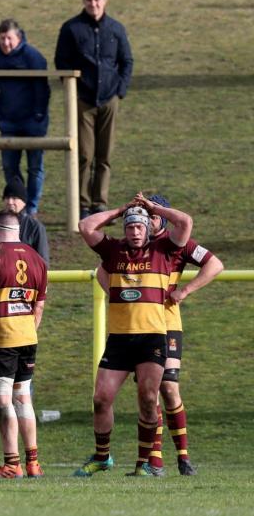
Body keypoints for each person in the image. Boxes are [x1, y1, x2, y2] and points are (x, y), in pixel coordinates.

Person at [99, 195, 223, 476]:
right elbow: (101, 271)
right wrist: (118, 296)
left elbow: (215, 264)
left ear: (160, 218)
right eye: (143, 216)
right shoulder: (129, 247)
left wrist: (185, 291)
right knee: (148, 393)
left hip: (167, 324)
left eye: (152, 216)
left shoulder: (173, 245)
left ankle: (183, 455)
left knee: (168, 387)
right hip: (138, 324)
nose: (146, 221)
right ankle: (153, 460)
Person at [75, 194, 192, 477]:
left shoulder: (164, 250)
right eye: (130, 227)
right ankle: (102, 457)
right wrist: (120, 211)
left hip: (151, 338)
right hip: (120, 339)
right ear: (125, 230)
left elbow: (185, 222)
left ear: (149, 228)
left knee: (149, 399)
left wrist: (154, 208)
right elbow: (85, 226)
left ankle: (145, 463)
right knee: (101, 398)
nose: (136, 231)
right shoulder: (114, 251)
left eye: (140, 227)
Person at [0, 210, 48, 478]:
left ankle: (11, 464)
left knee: (4, 402)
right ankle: (33, 463)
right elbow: (39, 306)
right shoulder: (38, 260)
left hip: (1, 337)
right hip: (28, 337)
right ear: (19, 231)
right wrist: (27, 328)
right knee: (23, 398)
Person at [55, 0, 134, 219]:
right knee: (84, 155)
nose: (93, 4)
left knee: (104, 155)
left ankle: (100, 203)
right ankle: (83, 204)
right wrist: (73, 91)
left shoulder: (116, 29)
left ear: (105, 1)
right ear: (83, 1)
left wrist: (120, 90)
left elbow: (126, 60)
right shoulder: (71, 28)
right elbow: (61, 62)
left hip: (109, 99)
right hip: (83, 100)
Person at [0, 19, 51, 215]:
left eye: (9, 38)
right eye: (2, 38)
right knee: (9, 166)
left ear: (18, 37)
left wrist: (39, 113)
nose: (6, 43)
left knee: (35, 167)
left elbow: (42, 88)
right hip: (9, 121)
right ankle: (18, 202)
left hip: (33, 121)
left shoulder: (32, 56)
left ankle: (32, 207)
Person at [0, 178, 50, 264]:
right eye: (7, 198)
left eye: (14, 198)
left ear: (24, 202)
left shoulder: (36, 227)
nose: (10, 202)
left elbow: (43, 262)